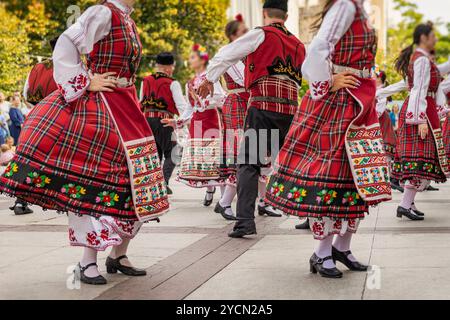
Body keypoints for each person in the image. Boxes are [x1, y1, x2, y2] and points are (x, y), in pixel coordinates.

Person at [0, 0, 169, 285]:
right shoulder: (102, 12)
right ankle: (86, 262)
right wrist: (84, 81)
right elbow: (66, 42)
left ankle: (118, 254)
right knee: (95, 180)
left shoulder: (127, 19)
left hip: (127, 106)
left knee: (141, 182)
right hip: (101, 106)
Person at [265, 0, 392, 278]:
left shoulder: (359, 7)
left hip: (360, 99)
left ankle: (341, 248)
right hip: (341, 101)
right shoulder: (346, 5)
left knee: (358, 176)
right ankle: (322, 253)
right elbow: (318, 48)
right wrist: (326, 83)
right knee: (331, 173)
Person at [199, 0, 306, 238]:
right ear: (287, 17)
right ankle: (311, 215)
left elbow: (226, 53)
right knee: (294, 163)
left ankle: (245, 222)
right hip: (290, 109)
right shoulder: (299, 44)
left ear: (265, 13)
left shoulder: (261, 34)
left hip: (263, 106)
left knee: (249, 163)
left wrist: (210, 78)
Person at [393, 22, 449, 221]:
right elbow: (418, 89)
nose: (435, 38)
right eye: (433, 35)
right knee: (420, 161)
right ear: (424, 38)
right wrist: (419, 120)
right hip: (421, 111)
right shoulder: (422, 60)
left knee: (421, 161)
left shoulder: (422, 59)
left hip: (423, 109)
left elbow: (437, 73)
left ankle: (409, 203)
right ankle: (404, 205)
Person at [163, 44, 226, 206]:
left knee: (215, 157)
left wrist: (205, 101)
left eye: (192, 57)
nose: (190, 60)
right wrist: (176, 121)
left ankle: (223, 198)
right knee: (203, 158)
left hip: (211, 118)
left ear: (202, 59)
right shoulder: (190, 83)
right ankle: (210, 188)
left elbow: (221, 97)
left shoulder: (211, 78)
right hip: (197, 122)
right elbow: (189, 108)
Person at [140, 52, 188, 195]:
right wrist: (181, 122)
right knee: (174, 152)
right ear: (168, 67)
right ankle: (163, 182)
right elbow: (182, 106)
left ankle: (154, 186)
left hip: (147, 120)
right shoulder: (173, 83)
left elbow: (140, 102)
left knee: (156, 154)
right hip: (164, 121)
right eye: (172, 67)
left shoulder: (145, 81)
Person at [23, 37, 59, 107]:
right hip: (59, 111)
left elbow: (26, 93)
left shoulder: (37, 66)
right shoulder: (68, 67)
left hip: (37, 111)